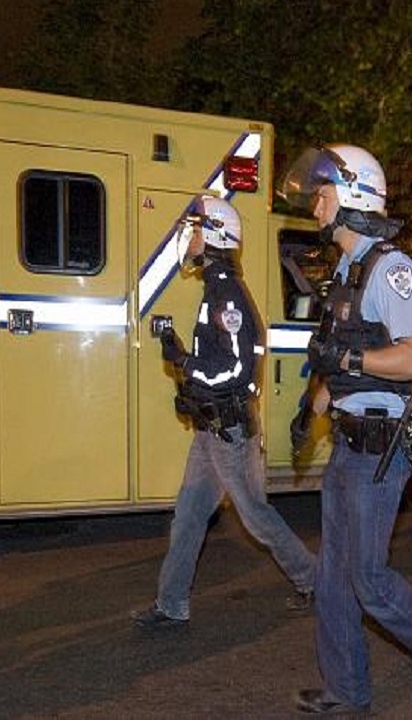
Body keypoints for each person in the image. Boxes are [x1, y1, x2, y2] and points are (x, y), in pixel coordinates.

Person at [279, 145, 412, 718]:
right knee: (333, 578)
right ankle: (346, 689)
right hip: (347, 442)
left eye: (322, 195)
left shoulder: (392, 269)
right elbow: (337, 364)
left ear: (353, 197)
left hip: (382, 448)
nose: (315, 206)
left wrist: (353, 360)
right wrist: (311, 412)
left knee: (367, 578)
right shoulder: (345, 271)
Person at [133, 195, 317, 629]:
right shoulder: (215, 289)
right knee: (189, 515)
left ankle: (316, 581)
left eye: (196, 230)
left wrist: (185, 363)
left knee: (256, 517)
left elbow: (236, 369)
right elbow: (220, 362)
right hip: (210, 431)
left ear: (214, 237)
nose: (190, 238)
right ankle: (171, 604)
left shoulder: (226, 294)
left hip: (230, 433)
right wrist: (190, 377)